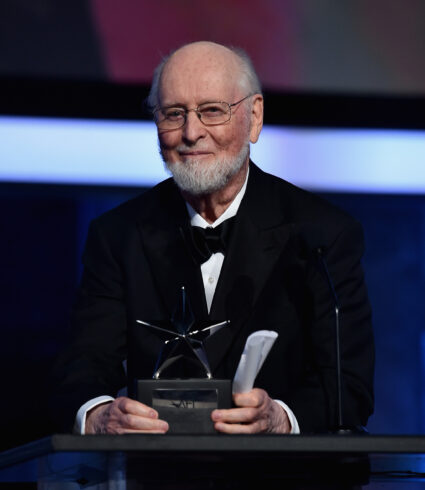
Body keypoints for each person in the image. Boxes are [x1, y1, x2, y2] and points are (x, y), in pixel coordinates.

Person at [51, 40, 374, 437]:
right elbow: (82, 367)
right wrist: (98, 415)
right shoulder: (117, 235)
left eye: (212, 111)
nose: (191, 132)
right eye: (174, 114)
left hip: (288, 489)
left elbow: (350, 387)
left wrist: (281, 419)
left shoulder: (322, 234)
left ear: (253, 117)